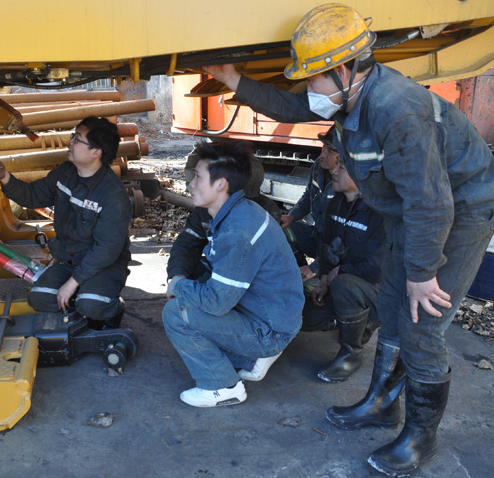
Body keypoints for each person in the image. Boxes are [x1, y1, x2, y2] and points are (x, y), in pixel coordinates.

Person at [204, 4, 494, 476]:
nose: (308, 89)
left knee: (422, 322)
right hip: (411, 211)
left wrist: (424, 273)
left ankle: (421, 437)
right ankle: (381, 403)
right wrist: (235, 79)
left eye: (313, 78)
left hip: (457, 212)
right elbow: (294, 107)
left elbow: (432, 203)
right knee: (394, 304)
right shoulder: (348, 96)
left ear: (342, 70)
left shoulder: (397, 110)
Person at [162, 140, 303, 408]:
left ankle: (222, 386)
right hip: (270, 314)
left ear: (220, 184)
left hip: (270, 329)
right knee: (195, 289)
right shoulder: (239, 211)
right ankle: (251, 359)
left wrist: (178, 285)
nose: (191, 184)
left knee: (177, 312)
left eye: (198, 177)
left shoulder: (237, 231)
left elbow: (216, 302)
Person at [0, 116, 131, 328]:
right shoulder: (65, 173)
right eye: (73, 136)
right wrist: (4, 177)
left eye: (78, 139)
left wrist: (72, 283)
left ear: (96, 152)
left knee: (93, 304)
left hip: (103, 265)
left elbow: (106, 250)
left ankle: (111, 307)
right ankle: (80, 301)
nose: (70, 142)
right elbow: (33, 196)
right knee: (39, 297)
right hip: (69, 259)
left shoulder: (113, 195)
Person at [302, 157, 386, 383]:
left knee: (344, 283)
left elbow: (377, 270)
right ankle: (351, 323)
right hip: (344, 285)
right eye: (336, 166)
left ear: (363, 174)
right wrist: (323, 280)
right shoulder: (336, 203)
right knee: (305, 318)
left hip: (380, 293)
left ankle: (351, 353)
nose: (334, 171)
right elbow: (326, 246)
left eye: (342, 167)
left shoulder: (380, 211)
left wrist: (338, 273)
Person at [167, 148, 281, 285]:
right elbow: (187, 244)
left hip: (256, 281)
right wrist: (178, 276)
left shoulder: (264, 214)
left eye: (200, 177)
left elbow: (238, 269)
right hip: (228, 273)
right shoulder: (205, 210)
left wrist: (193, 290)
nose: (192, 183)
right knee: (190, 270)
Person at [281, 127, 337, 281]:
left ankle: (317, 277)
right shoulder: (319, 166)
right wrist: (292, 216)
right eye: (324, 147)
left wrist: (315, 267)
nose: (323, 154)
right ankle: (299, 272)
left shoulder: (351, 183)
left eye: (330, 151)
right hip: (317, 238)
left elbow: (343, 242)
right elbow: (308, 196)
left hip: (337, 251)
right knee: (282, 230)